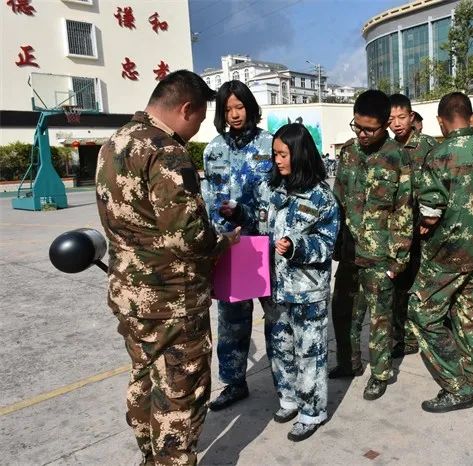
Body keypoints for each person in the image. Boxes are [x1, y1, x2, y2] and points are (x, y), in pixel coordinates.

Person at [95, 70, 241, 465]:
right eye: (199, 119)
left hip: (129, 294)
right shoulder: (166, 150)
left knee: (144, 378)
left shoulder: (114, 143)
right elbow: (186, 237)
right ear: (186, 108)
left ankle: (149, 455)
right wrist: (223, 243)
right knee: (180, 393)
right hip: (171, 300)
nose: (197, 129)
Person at [407, 92, 473, 412]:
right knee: (471, 313)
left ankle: (456, 386)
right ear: (469, 118)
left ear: (441, 121)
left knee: (421, 312)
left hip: (447, 254)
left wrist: (421, 225)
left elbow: (430, 212)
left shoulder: (440, 155)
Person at [331, 89, 413, 400]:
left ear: (385, 125)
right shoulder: (348, 152)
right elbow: (337, 199)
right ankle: (348, 362)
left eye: (370, 129)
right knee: (343, 311)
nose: (362, 134)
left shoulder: (397, 157)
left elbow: (404, 210)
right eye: (358, 127)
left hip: (380, 255)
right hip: (349, 251)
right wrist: (334, 243)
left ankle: (380, 374)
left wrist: (398, 258)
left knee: (380, 319)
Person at [263, 123, 339, 441]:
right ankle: (289, 400)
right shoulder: (275, 191)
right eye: (275, 154)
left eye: (284, 154)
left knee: (309, 353)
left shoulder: (322, 198)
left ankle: (312, 412)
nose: (278, 160)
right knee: (280, 347)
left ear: (300, 154)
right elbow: (263, 227)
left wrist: (297, 247)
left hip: (307, 290)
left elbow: (327, 244)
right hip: (277, 288)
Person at [202, 80, 274, 411]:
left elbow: (280, 194)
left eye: (240, 107)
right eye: (228, 108)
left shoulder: (269, 144)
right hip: (231, 246)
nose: (234, 114)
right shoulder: (214, 150)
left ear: (250, 107)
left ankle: (284, 382)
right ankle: (233, 383)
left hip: (266, 244)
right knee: (231, 319)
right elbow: (210, 198)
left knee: (276, 316)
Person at [387, 93, 437, 359]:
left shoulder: (428, 146)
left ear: (412, 117)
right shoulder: (388, 149)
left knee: (424, 284)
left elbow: (439, 185)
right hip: (398, 231)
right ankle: (403, 337)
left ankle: (424, 332)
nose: (396, 123)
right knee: (399, 285)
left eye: (402, 117)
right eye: (391, 119)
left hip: (425, 229)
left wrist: (431, 217)